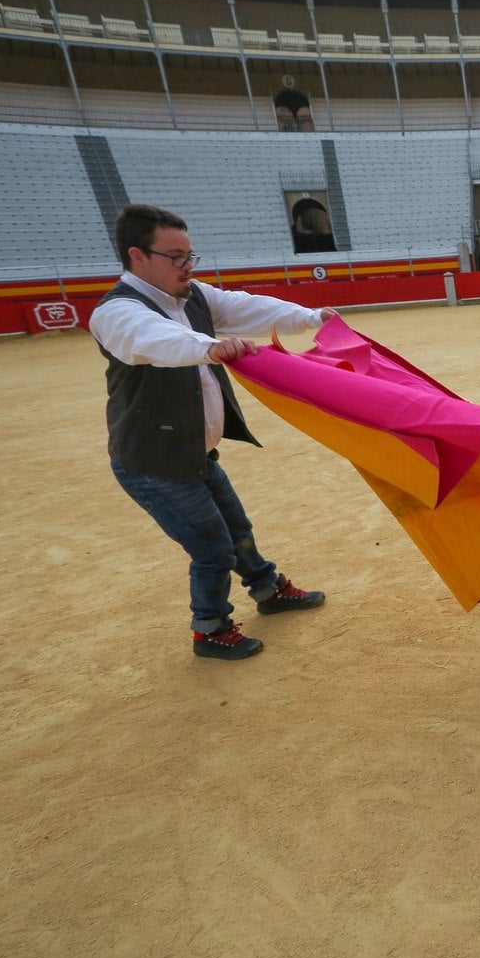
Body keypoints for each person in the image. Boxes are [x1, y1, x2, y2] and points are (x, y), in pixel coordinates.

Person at [89, 204, 333, 661]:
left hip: (193, 452)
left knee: (236, 528)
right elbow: (152, 341)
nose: (187, 266)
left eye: (190, 256)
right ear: (138, 257)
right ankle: (210, 627)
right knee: (212, 548)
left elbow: (246, 307)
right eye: (176, 257)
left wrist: (311, 318)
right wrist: (211, 346)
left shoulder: (192, 295)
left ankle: (266, 589)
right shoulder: (116, 312)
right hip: (153, 462)